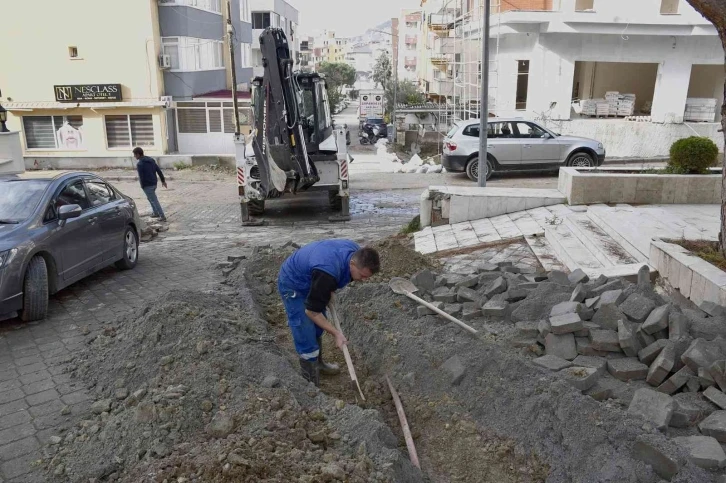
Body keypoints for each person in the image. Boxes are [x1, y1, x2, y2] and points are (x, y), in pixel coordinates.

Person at [278, 239, 380, 385]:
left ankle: (318, 364)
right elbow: (312, 312)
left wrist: (329, 288)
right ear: (352, 263)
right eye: (362, 276)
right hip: (294, 283)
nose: (363, 280)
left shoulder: (354, 251)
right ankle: (311, 384)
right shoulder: (327, 272)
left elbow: (337, 275)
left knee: (319, 326)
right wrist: (336, 334)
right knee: (305, 330)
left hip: (315, 276)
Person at [133, 147, 167, 222]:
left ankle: (162, 216)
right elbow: (158, 170)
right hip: (154, 183)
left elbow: (141, 177)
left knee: (154, 200)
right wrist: (163, 181)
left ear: (138, 154)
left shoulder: (140, 164)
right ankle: (155, 213)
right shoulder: (151, 160)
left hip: (147, 185)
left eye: (135, 155)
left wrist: (142, 186)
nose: (134, 156)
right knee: (150, 198)